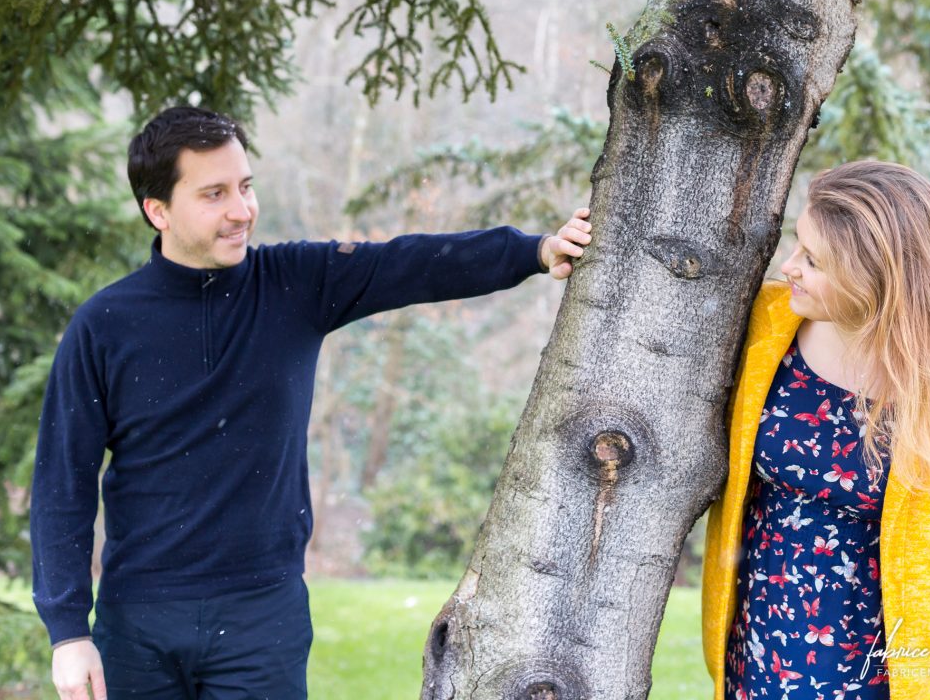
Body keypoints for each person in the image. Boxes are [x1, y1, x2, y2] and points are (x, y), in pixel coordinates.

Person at [30, 106, 594, 700]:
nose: (241, 211)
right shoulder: (104, 325)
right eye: (214, 194)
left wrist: (532, 251)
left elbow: (410, 263)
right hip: (137, 624)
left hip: (261, 619)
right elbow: (61, 485)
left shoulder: (294, 284)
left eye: (245, 187)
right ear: (158, 210)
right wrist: (68, 633)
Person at [701, 160, 930, 700]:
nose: (788, 268)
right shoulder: (767, 323)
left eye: (813, 260)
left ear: (875, 276)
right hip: (757, 657)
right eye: (797, 246)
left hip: (882, 677)